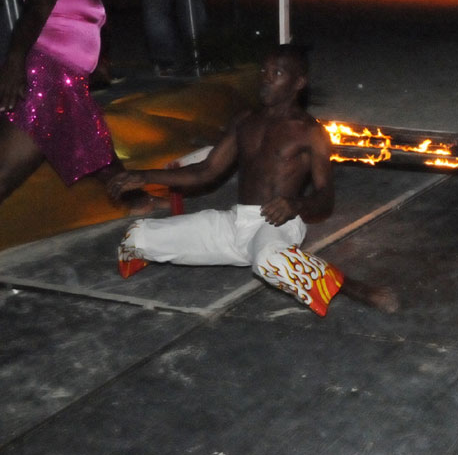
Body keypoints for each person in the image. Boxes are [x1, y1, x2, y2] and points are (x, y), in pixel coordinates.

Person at [109, 45, 400, 317]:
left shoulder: (309, 132)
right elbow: (205, 171)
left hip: (278, 225)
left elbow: (326, 197)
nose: (265, 79)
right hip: (237, 223)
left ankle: (352, 287)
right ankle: (276, 259)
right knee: (138, 235)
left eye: (277, 73)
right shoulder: (246, 120)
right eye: (264, 71)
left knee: (268, 260)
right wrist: (144, 176)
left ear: (298, 83)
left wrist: (295, 204)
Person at [0, 0, 160, 213]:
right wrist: (15, 63)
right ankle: (137, 202)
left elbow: (75, 24)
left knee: (97, 150)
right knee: (6, 172)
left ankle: (137, 202)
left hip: (67, 81)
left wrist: (95, 60)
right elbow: (33, 16)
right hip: (45, 80)